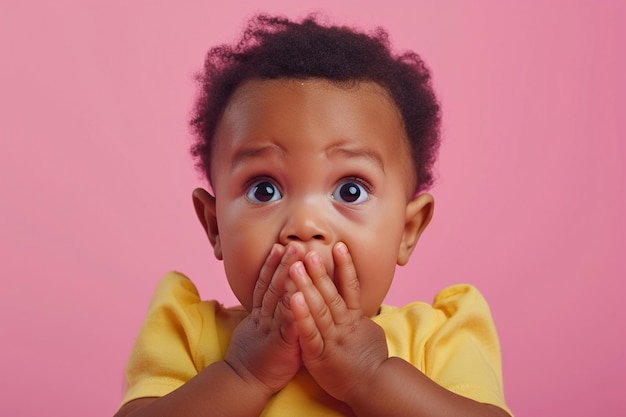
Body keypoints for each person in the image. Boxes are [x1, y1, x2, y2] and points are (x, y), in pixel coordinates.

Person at [114, 14, 512, 417]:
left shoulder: (439, 338)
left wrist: (370, 377)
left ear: (407, 230)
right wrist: (243, 374)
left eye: (350, 190)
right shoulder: (188, 331)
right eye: (264, 190)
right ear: (215, 226)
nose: (304, 226)